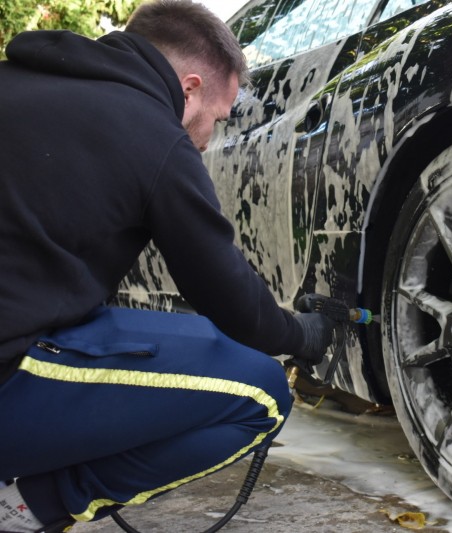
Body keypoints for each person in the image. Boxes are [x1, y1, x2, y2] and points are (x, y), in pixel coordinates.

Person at [0, 1, 336, 531]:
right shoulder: (154, 136)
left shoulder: (16, 82)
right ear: (190, 88)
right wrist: (299, 334)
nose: (208, 140)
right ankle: (28, 506)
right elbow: (225, 294)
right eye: (217, 120)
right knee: (260, 393)